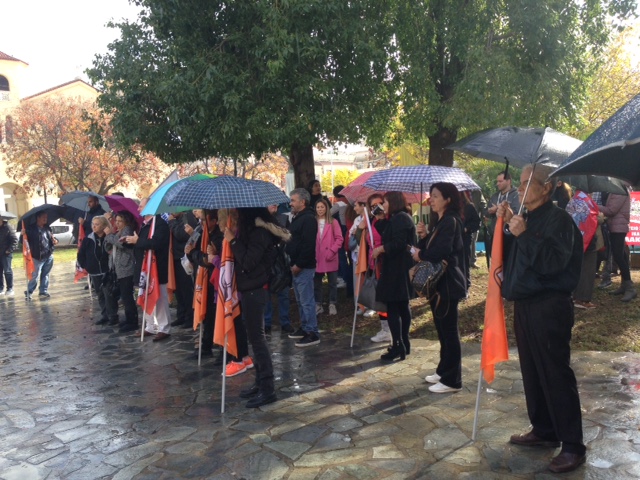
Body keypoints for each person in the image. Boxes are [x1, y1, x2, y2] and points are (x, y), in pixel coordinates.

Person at [498, 164, 586, 474]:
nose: (520, 189)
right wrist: (508, 224)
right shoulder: (528, 218)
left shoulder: (559, 220)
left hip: (549, 305)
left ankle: (573, 445)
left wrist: (523, 233)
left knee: (554, 373)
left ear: (546, 187)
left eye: (526, 184)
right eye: (520, 183)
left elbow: (552, 263)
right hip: (525, 303)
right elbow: (516, 256)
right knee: (532, 370)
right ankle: (544, 428)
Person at [226, 207, 290, 408]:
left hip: (256, 289)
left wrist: (233, 241)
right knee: (255, 338)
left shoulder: (259, 232)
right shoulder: (252, 231)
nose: (235, 216)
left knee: (258, 339)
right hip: (250, 288)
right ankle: (260, 382)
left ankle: (268, 388)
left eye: (237, 213)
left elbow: (248, 262)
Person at [412, 183, 466, 393]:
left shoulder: (451, 221)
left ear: (448, 199)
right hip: (439, 284)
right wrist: (425, 236)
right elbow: (433, 247)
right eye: (431, 195)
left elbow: (440, 252)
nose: (431, 200)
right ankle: (444, 370)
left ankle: (453, 380)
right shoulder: (441, 221)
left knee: (449, 332)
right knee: (442, 330)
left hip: (448, 284)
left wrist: (420, 255)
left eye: (435, 196)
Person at [372, 191, 415, 362]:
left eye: (385, 202)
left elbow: (398, 243)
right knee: (402, 306)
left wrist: (380, 249)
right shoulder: (397, 218)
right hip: (397, 268)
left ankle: (398, 344)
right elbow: (387, 234)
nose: (383, 205)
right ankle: (403, 343)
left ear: (393, 202)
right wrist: (380, 218)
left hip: (397, 269)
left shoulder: (401, 218)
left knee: (395, 307)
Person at [125, 199, 172, 341]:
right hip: (143, 267)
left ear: (150, 207)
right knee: (144, 295)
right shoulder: (145, 225)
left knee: (160, 298)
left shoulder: (160, 224)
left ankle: (164, 328)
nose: (138, 208)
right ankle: (149, 326)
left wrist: (137, 241)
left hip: (157, 268)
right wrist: (130, 242)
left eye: (141, 206)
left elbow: (156, 243)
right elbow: (142, 244)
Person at [186, 209, 225, 360]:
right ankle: (206, 346)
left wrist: (194, 253)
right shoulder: (201, 233)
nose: (201, 223)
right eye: (201, 220)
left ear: (214, 221)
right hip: (203, 278)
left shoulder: (219, 236)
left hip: (215, 280)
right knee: (207, 315)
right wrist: (191, 253)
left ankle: (222, 348)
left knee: (216, 314)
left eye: (205, 220)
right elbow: (198, 254)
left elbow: (208, 260)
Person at [286, 188, 320, 347]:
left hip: (303, 266)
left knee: (307, 301)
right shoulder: (298, 217)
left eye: (293, 200)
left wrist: (299, 264)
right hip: (295, 264)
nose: (290, 203)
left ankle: (312, 332)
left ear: (303, 201)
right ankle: (305, 326)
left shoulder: (308, 219)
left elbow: (308, 245)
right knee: (300, 300)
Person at [77, 215, 119, 326]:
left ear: (104, 226)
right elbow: (81, 254)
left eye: (97, 224)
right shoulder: (89, 239)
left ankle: (113, 316)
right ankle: (105, 315)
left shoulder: (109, 237)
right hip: (94, 271)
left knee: (108, 294)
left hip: (107, 270)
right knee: (100, 294)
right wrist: (86, 265)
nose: (94, 226)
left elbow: (114, 249)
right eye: (93, 224)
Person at [104, 211, 139, 332]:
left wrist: (109, 235)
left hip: (126, 268)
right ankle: (129, 319)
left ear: (126, 222)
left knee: (127, 296)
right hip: (118, 268)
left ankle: (132, 320)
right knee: (124, 296)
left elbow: (121, 244)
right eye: (116, 221)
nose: (117, 223)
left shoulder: (127, 230)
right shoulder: (118, 231)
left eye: (120, 221)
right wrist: (109, 237)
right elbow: (109, 246)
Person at [599, 189, 636, 302]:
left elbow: (611, 210)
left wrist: (593, 205)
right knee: (621, 255)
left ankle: (630, 288)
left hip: (618, 227)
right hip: (616, 226)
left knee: (618, 256)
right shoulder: (617, 190)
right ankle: (624, 285)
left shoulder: (619, 191)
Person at [566, 190, 600, 309]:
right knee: (588, 269)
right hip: (588, 240)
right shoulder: (586, 202)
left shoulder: (573, 199)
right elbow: (591, 219)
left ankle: (575, 296)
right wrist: (600, 218)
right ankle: (583, 299)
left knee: (577, 268)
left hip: (576, 238)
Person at [364, 194, 391, 343]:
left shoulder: (389, 221)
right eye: (373, 206)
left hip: (385, 263)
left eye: (379, 204)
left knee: (387, 299)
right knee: (379, 298)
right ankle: (384, 328)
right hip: (373, 263)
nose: (377, 208)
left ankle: (391, 329)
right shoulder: (371, 221)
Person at [168, 211, 199, 327]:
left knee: (186, 289)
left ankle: (190, 316)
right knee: (179, 290)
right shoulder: (177, 220)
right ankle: (181, 314)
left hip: (185, 258)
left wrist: (172, 223)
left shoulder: (187, 217)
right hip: (175, 257)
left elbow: (181, 234)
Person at [314, 198, 343, 316]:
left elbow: (339, 238)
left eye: (322, 207)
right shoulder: (313, 222)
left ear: (326, 208)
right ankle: (318, 304)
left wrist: (332, 250)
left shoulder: (333, 222)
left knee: (332, 283)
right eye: (318, 207)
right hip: (317, 256)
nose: (320, 209)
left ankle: (332, 303)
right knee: (317, 283)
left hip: (330, 255)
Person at [484, 171, 520, 263]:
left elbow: (517, 212)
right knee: (495, 262)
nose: (497, 184)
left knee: (508, 261)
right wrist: (489, 211)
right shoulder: (495, 196)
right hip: (495, 234)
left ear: (508, 181)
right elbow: (486, 213)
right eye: (497, 181)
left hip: (509, 235)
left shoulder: (516, 195)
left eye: (500, 181)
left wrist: (499, 208)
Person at [349, 200, 376, 318]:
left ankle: (371, 306)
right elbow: (351, 233)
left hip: (369, 254)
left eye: (356, 206)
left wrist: (361, 230)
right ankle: (361, 305)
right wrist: (357, 231)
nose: (354, 208)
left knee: (369, 280)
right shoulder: (357, 219)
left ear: (363, 206)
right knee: (359, 281)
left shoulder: (371, 219)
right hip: (357, 254)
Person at [24, 211, 58, 300]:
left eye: (46, 217)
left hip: (48, 255)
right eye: (43, 217)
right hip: (37, 256)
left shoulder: (47, 228)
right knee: (35, 275)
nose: (45, 219)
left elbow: (52, 238)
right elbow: (23, 241)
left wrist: (55, 241)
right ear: (38, 218)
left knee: (46, 274)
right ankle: (29, 291)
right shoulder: (30, 229)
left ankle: (43, 291)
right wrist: (23, 234)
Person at [330, 186, 350, 291]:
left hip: (341, 228)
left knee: (340, 254)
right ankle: (348, 278)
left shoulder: (339, 204)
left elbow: (328, 214)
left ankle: (343, 278)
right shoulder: (349, 202)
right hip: (348, 227)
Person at [460, 192, 481, 290]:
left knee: (464, 263)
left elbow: (477, 222)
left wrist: (467, 228)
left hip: (464, 239)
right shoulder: (448, 208)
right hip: (451, 240)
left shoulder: (469, 207)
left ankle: (465, 286)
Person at [0, 217, 18, 296]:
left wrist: (9, 250)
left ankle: (10, 288)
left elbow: (15, 240)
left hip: (6, 254)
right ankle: (0, 288)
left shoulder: (8, 228)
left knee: (7, 271)